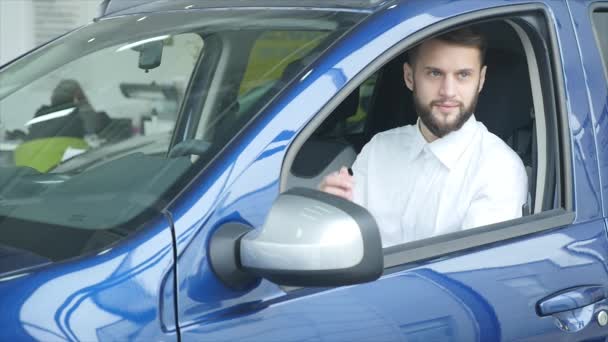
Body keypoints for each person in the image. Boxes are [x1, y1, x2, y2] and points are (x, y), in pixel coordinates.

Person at [319, 27, 528, 247]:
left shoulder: (499, 169)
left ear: (481, 80)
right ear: (409, 77)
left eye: (463, 75)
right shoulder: (378, 149)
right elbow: (345, 245)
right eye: (435, 73)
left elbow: (468, 272)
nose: (448, 91)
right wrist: (326, 214)